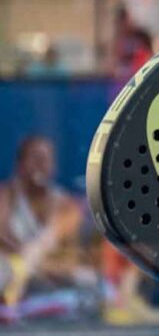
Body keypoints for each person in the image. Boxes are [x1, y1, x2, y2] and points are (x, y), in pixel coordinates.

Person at [0, 136, 103, 323]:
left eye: (45, 159)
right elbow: (4, 240)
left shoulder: (66, 206)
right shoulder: (6, 196)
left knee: (92, 284)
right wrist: (23, 263)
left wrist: (41, 266)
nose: (40, 164)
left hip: (48, 280)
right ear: (20, 165)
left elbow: (72, 258)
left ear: (54, 166)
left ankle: (25, 310)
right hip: (11, 275)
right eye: (34, 157)